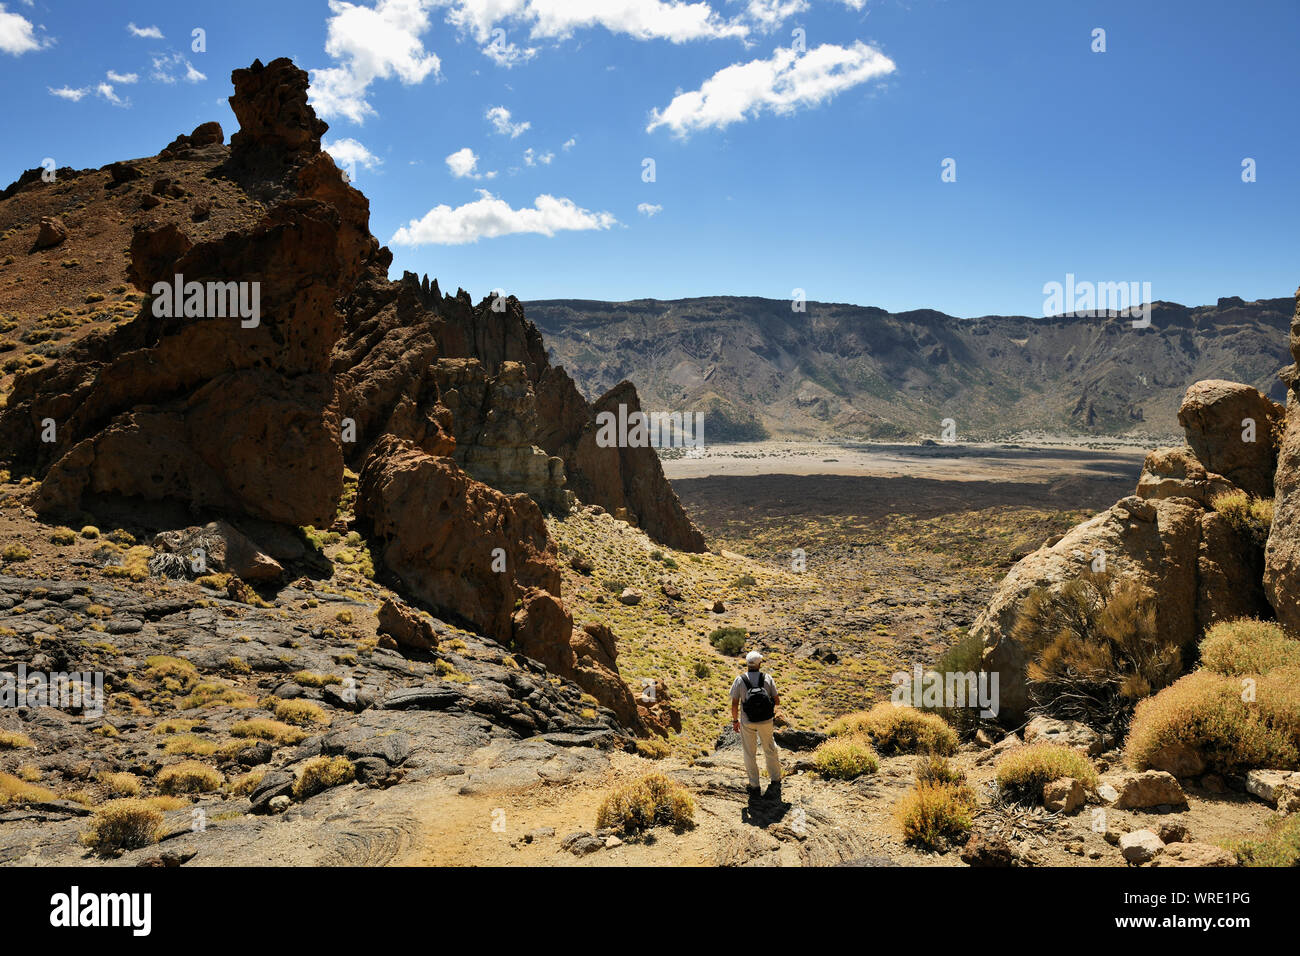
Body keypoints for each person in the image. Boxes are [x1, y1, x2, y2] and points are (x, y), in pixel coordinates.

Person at [730, 650, 782, 796]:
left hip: (747, 721)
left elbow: (734, 704)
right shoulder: (767, 678)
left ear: (747, 663)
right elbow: (777, 700)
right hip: (766, 721)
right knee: (770, 748)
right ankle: (775, 778)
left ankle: (754, 785)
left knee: (749, 753)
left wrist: (735, 720)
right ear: (759, 664)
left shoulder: (740, 680)